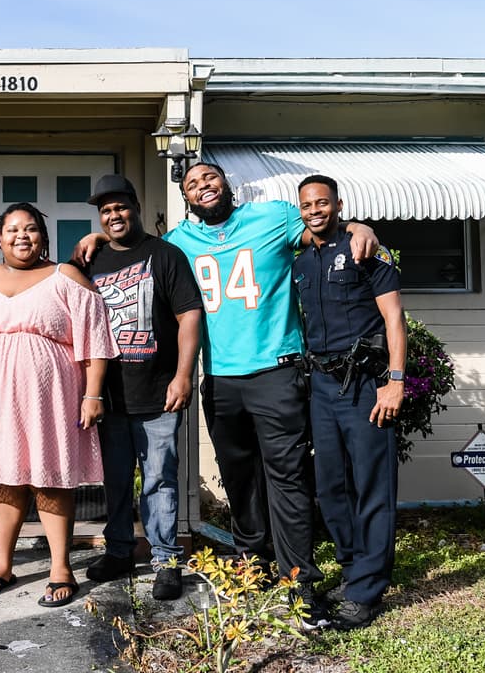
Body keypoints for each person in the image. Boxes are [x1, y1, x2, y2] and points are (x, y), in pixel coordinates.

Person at [77, 162, 378, 625]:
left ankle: (299, 578)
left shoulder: (273, 217)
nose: (203, 187)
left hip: (276, 370)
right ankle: (252, 567)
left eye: (209, 179)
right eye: (192, 184)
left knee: (288, 478)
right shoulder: (179, 242)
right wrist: (97, 240)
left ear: (226, 184)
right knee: (239, 479)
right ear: (187, 197)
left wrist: (357, 225)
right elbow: (136, 248)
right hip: (219, 378)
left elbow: (323, 227)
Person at [0, 202, 119, 608]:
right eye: (12, 229)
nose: (21, 236)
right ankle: (2, 563)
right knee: (3, 476)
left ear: (43, 236)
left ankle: (61, 567)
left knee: (50, 474)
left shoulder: (66, 276)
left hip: (49, 392)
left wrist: (93, 394)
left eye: (30, 229)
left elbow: (95, 340)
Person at [78, 174, 203, 601]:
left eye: (120, 207)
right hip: (109, 396)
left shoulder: (166, 255)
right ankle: (118, 551)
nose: (114, 216)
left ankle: (166, 559)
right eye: (105, 211)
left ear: (136, 207)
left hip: (158, 392)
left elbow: (189, 315)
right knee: (114, 481)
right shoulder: (89, 261)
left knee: (159, 480)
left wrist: (184, 375)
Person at [294, 175, 406, 630]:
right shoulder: (300, 260)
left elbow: (394, 317)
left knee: (372, 487)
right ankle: (352, 568)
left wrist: (396, 381)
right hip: (321, 385)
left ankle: (367, 588)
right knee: (331, 487)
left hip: (365, 383)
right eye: (307, 204)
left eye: (323, 202)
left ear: (338, 204)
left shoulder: (366, 250)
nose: (315, 210)